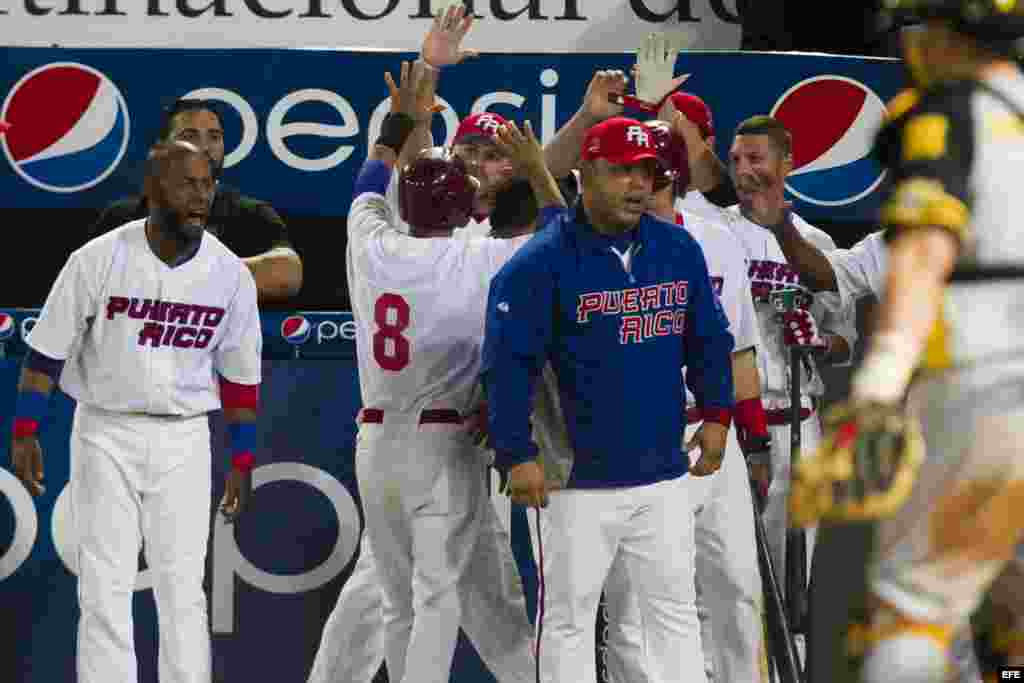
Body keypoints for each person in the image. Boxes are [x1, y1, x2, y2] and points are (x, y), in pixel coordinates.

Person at [786, 2, 1024, 681]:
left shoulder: (946, 114)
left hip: (977, 377)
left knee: (912, 601)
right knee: (999, 575)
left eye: (915, 30)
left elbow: (922, 255)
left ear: (944, 34)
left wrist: (879, 385)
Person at [306, 9, 539, 683]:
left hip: (377, 438)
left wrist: (402, 119)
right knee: (428, 595)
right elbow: (558, 233)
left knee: (410, 600)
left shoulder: (371, 241)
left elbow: (376, 175)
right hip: (447, 445)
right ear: (463, 202)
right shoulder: (489, 258)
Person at [483, 115, 736, 683]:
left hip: (662, 473)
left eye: (648, 172)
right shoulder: (537, 263)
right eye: (623, 171)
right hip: (574, 482)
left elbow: (709, 339)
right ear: (587, 172)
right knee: (568, 620)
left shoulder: (676, 247)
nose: (639, 185)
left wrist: (718, 414)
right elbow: (505, 368)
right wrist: (515, 452)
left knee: (673, 613)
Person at [10, 140, 262, 683]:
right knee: (103, 586)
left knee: (182, 590)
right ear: (153, 190)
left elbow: (240, 382)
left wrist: (242, 456)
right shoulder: (98, 259)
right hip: (105, 430)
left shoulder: (230, 274)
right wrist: (26, 429)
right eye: (188, 184)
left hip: (185, 438)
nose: (202, 196)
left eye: (208, 183)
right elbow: (45, 354)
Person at [584, 114, 771, 683]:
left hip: (716, 434)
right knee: (641, 605)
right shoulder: (596, 247)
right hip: (645, 436)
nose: (647, 186)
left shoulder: (715, 240)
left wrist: (755, 440)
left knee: (738, 588)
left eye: (658, 176)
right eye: (638, 174)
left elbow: (740, 349)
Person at [90, 98, 303, 303]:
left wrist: (183, 278)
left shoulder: (250, 214)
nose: (204, 146)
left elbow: (287, 275)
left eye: (214, 136)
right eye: (190, 136)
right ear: (163, 146)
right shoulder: (121, 216)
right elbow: (92, 280)